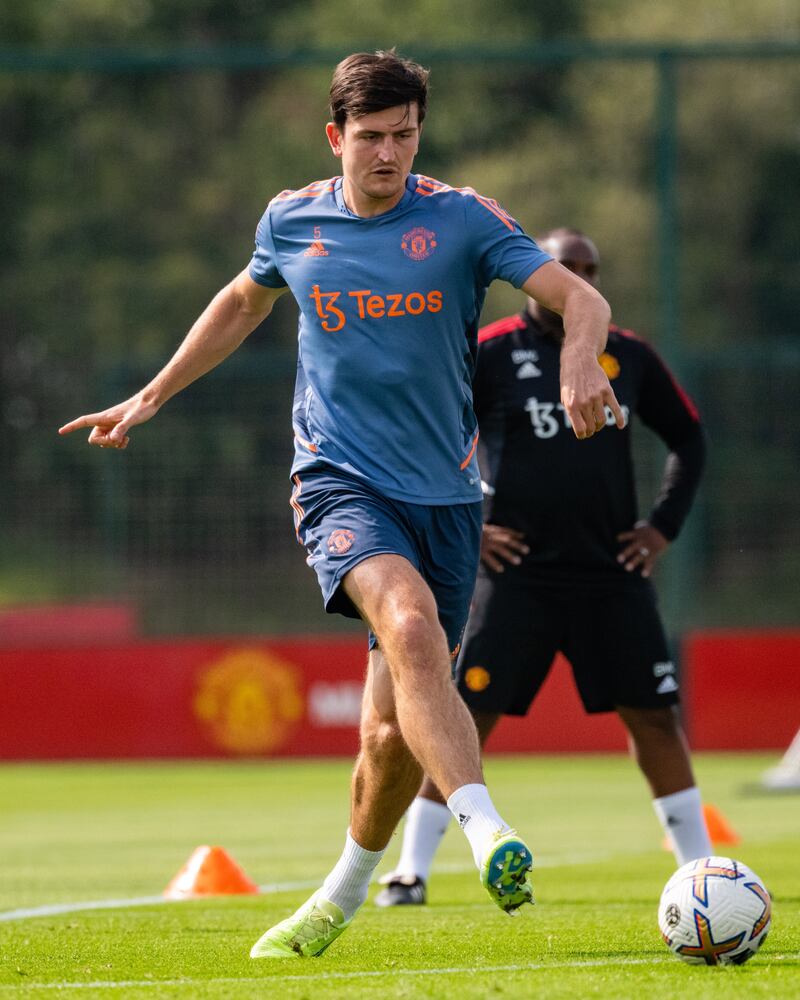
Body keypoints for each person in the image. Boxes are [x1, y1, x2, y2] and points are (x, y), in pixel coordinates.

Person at [59, 56, 624, 958]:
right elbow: (243, 300)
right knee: (407, 628)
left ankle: (335, 899)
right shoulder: (293, 218)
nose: (389, 154)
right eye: (372, 137)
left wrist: (579, 356)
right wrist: (152, 396)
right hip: (338, 482)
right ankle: (487, 832)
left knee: (389, 734)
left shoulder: (463, 219)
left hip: (446, 496)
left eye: (405, 135)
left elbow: (579, 297)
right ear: (337, 138)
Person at [376, 227, 711, 908]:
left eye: (589, 269)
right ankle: (410, 871)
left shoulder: (629, 356)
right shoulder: (492, 353)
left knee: (653, 716)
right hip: (515, 575)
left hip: (610, 573)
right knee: (466, 712)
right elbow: (432, 435)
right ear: (538, 274)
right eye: (565, 268)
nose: (578, 279)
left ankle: (703, 868)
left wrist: (661, 528)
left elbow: (689, 438)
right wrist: (473, 528)